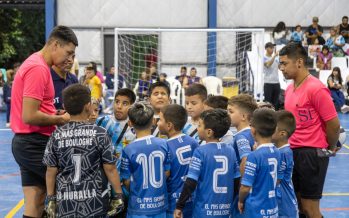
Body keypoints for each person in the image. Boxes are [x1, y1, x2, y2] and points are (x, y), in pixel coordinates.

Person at [10, 26, 77, 217]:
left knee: (36, 201)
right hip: (35, 144)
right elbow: (29, 116)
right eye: (68, 52)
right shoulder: (38, 68)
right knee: (69, 189)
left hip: (29, 142)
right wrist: (60, 119)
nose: (70, 59)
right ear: (55, 45)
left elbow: (37, 109)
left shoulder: (37, 64)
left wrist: (54, 112)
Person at [43, 84, 124, 217]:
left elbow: (51, 170)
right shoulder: (100, 134)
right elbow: (110, 168)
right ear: (88, 106)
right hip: (95, 203)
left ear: (64, 107)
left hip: (67, 204)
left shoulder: (56, 135)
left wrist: (51, 198)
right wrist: (118, 195)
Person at [279, 42, 340, 218]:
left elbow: (333, 124)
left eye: (284, 63)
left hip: (312, 153)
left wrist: (330, 146)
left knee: (310, 209)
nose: (282, 68)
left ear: (299, 62)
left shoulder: (316, 88)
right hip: (292, 151)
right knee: (297, 206)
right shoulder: (290, 89)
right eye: (280, 64)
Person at [174, 109, 240, 218]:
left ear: (209, 132)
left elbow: (191, 182)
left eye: (199, 125)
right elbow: (237, 180)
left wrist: (180, 206)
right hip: (225, 210)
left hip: (204, 211)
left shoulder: (201, 151)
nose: (197, 128)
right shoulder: (230, 151)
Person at [120, 102, 170, 217]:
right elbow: (167, 172)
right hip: (160, 206)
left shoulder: (128, 149)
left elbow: (126, 180)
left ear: (130, 123)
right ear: (153, 121)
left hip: (138, 207)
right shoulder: (164, 144)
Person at [96, 88, 136, 217]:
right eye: (117, 102)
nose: (119, 107)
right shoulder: (102, 121)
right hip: (101, 181)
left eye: (125, 103)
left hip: (123, 184)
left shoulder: (135, 128)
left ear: (132, 106)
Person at [157, 104, 199, 218]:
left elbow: (165, 175)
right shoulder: (193, 142)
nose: (157, 123)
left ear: (169, 125)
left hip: (173, 203)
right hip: (191, 199)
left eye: (160, 120)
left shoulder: (164, 147)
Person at [238, 108, 281, 217]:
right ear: (275, 129)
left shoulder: (254, 156)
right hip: (272, 207)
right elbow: (278, 180)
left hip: (256, 209)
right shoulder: (277, 152)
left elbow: (245, 187)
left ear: (252, 130)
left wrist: (240, 200)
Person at [227, 94, 258, 217]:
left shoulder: (241, 136)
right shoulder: (254, 133)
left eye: (231, 111)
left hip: (244, 190)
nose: (227, 114)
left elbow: (245, 160)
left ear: (244, 116)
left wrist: (242, 189)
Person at [272, 110, 298, 218]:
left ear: (282, 133)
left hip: (285, 203)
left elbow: (277, 180)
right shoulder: (277, 150)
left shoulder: (284, 153)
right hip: (279, 200)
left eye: (271, 129)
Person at [263, 42, 281, 110]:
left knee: (276, 103)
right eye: (271, 48)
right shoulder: (264, 57)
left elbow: (280, 68)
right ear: (266, 48)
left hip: (276, 82)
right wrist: (274, 56)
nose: (272, 49)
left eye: (273, 48)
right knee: (268, 103)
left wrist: (281, 59)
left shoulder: (276, 58)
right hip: (268, 83)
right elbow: (268, 65)